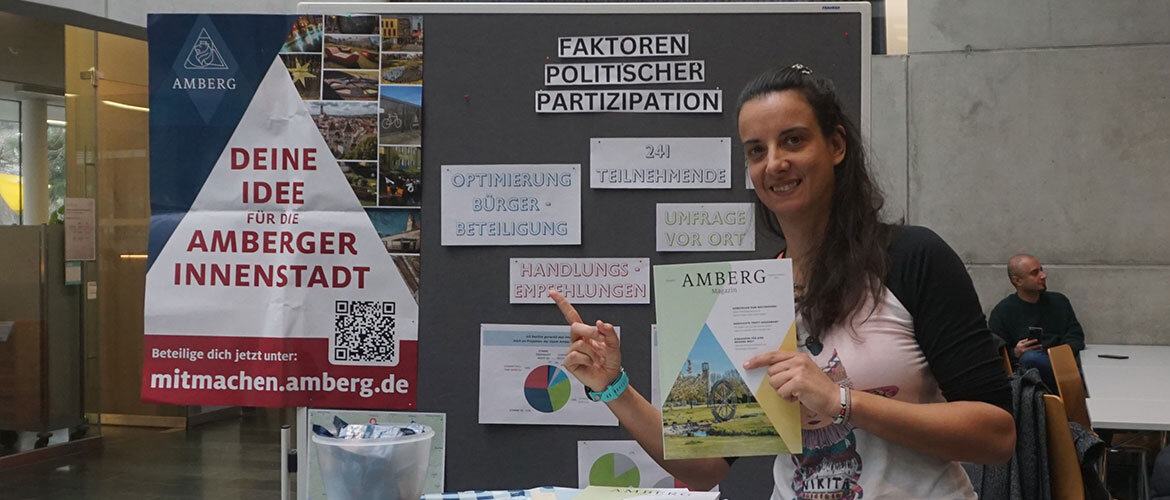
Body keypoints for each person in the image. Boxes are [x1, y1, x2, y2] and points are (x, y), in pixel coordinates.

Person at [550, 64, 1014, 499]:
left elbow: (997, 435)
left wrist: (841, 401)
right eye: (757, 150)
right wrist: (613, 386)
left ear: (836, 146)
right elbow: (704, 465)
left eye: (792, 141)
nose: (774, 163)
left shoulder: (912, 258)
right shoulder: (751, 293)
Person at [988, 254, 1086, 391]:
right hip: (1029, 372)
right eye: (1035, 273)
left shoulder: (1059, 301)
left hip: (1063, 362)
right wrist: (1015, 352)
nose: (1043, 275)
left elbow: (1076, 337)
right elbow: (995, 355)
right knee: (1030, 358)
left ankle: (1075, 379)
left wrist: (1057, 355)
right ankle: (1081, 381)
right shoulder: (1002, 312)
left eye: (1041, 269)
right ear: (1018, 281)